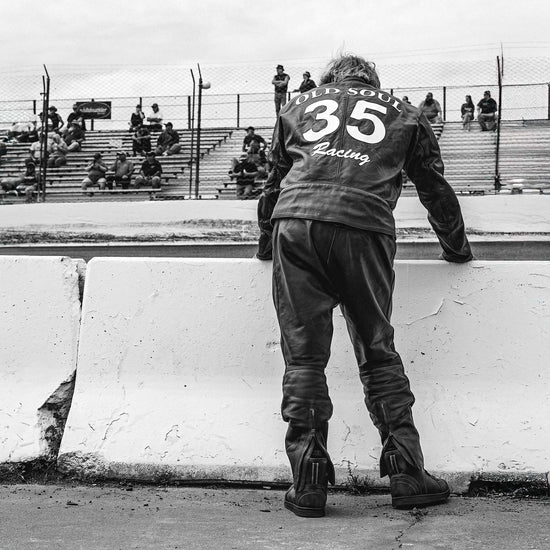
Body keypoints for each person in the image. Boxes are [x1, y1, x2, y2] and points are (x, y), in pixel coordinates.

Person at [256, 54, 472, 518]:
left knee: (304, 355)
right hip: (365, 225)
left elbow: (272, 185)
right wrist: (456, 249)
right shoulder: (406, 113)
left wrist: (264, 245)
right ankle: (408, 473)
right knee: (377, 348)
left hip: (294, 223)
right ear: (374, 83)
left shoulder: (297, 106)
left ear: (332, 81)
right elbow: (434, 189)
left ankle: (309, 477)